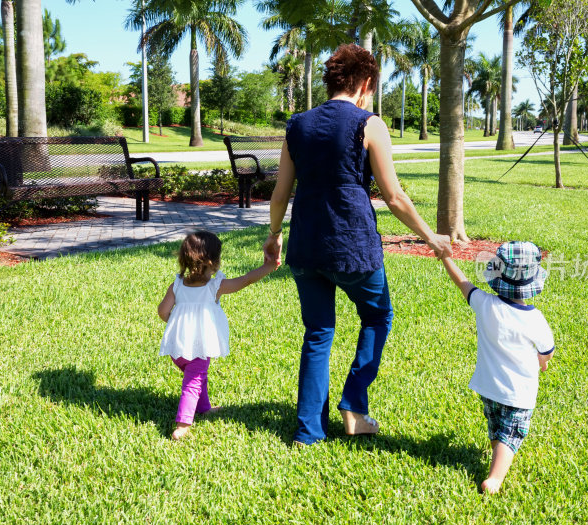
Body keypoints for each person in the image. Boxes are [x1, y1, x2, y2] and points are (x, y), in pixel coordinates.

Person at [263, 43, 453, 446]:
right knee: (376, 317)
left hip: (305, 245)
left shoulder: (297, 125)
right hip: (352, 245)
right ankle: (353, 404)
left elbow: (280, 195)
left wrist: (274, 235)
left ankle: (308, 432)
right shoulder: (369, 123)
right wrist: (431, 237)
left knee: (318, 332)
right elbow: (395, 197)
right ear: (365, 82)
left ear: (332, 80)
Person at [440, 241, 556, 493]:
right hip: (518, 393)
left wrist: (447, 258)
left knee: (496, 425)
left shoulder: (484, 304)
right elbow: (547, 352)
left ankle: (496, 455)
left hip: (488, 386)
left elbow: (462, 283)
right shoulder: (535, 319)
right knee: (511, 435)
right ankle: (494, 478)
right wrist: (542, 362)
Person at [158, 230, 277, 441]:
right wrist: (268, 266)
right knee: (193, 382)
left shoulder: (176, 285)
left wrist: (178, 324)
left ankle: (204, 408)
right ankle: (183, 424)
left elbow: (162, 312)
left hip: (177, 348)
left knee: (196, 376)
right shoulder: (215, 286)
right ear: (213, 262)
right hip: (199, 346)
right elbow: (246, 280)